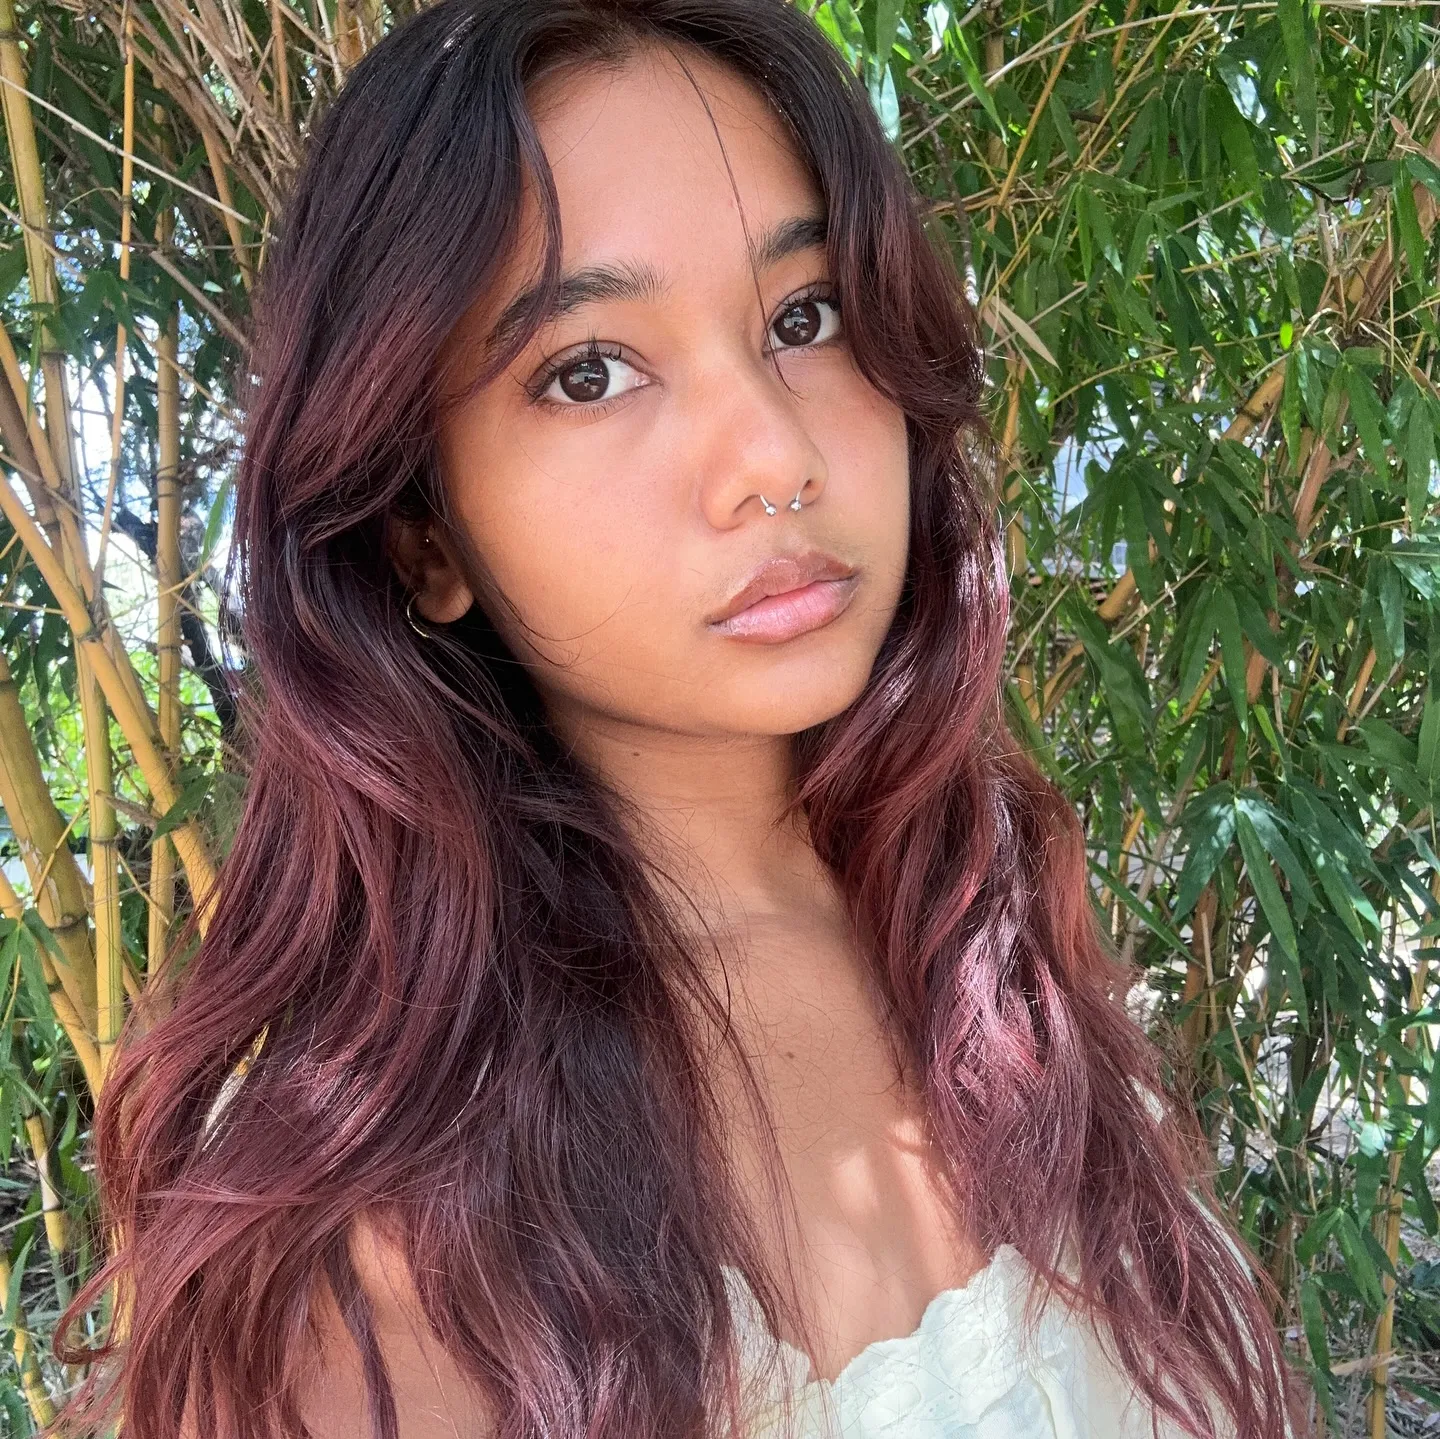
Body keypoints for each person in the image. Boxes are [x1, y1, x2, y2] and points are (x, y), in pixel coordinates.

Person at [54, 2, 1302, 1436]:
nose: (774, 454)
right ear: (420, 533)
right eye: (590, 370)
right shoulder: (381, 1232)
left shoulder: (980, 906)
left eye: (804, 318)